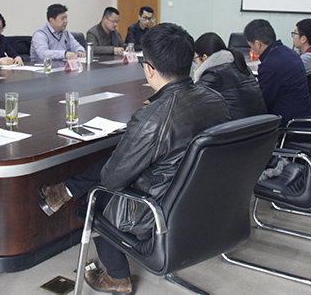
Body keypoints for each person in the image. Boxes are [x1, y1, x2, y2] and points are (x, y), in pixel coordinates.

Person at [39, 23, 231, 294]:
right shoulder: (216, 100)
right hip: (207, 205)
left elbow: (111, 179)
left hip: (156, 213)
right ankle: (62, 191)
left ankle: (117, 277)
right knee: (123, 155)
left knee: (96, 195)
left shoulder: (152, 118)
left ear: (149, 69)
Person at [244, 19, 311, 124]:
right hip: (302, 117)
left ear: (258, 44)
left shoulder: (270, 65)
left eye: (251, 46)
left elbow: (261, 103)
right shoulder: (289, 52)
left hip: (286, 124)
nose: (252, 49)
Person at [193, 32, 266, 119]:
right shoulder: (240, 65)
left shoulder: (213, 74)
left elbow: (194, 104)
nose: (197, 63)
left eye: (196, 59)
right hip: (258, 123)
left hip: (237, 125)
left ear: (205, 57)